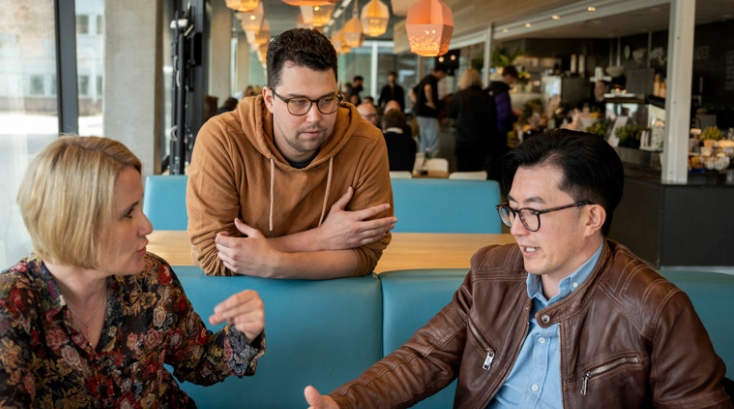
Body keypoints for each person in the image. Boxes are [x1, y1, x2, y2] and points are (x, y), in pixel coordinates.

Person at [304, 129, 732, 408]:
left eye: (534, 213)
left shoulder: (654, 307)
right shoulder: (493, 273)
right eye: (512, 211)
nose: (518, 230)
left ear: (591, 218)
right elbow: (424, 357)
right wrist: (346, 403)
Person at [0, 136, 266, 406]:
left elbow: (199, 363)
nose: (147, 226)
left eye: (140, 208)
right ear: (76, 225)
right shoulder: (8, 307)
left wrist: (243, 333)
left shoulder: (152, 278)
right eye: (128, 213)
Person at [187, 28, 396, 279]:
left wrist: (273, 262)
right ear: (269, 99)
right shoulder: (223, 140)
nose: (315, 118)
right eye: (298, 102)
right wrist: (321, 239)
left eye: (327, 100)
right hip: (241, 307)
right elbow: (213, 256)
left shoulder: (366, 142)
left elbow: (367, 253)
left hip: (333, 303)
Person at [447, 68, 498, 172]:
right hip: (483, 141)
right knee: (478, 172)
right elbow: (494, 119)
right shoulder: (487, 96)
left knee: (463, 173)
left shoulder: (460, 95)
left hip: (464, 140)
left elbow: (451, 114)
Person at [486, 66, 519, 177]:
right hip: (499, 132)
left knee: (491, 163)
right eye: (513, 79)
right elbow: (504, 115)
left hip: (489, 131)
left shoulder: (490, 89)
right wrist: (514, 116)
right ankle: (495, 189)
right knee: (498, 162)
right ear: (508, 76)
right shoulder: (502, 92)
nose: (512, 82)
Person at [412, 65, 448, 156]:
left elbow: (411, 92)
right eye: (443, 75)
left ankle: (422, 164)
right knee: (433, 142)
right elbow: (427, 88)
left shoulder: (425, 79)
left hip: (420, 115)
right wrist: (431, 102)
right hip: (429, 115)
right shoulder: (431, 79)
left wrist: (417, 103)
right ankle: (431, 164)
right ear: (440, 72)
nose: (442, 77)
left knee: (423, 142)